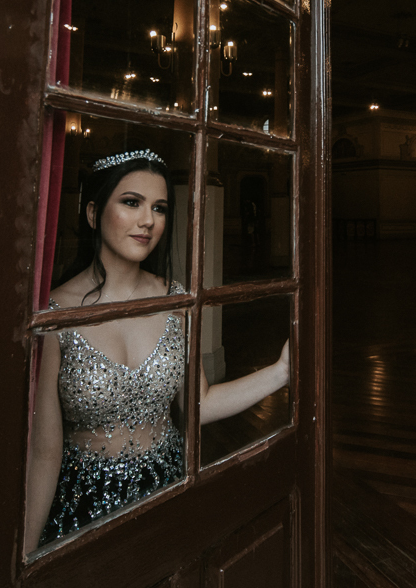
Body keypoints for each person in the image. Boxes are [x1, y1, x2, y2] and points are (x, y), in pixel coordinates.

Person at [24, 149, 290, 553]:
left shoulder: (175, 301)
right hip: (85, 503)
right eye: (132, 203)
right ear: (93, 213)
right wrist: (26, 555)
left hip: (169, 486)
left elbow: (198, 403)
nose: (148, 221)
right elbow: (45, 451)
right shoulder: (54, 315)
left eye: (160, 208)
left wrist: (282, 370)